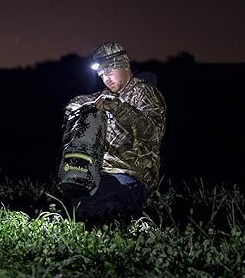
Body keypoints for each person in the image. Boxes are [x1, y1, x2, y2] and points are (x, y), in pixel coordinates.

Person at [60, 42, 167, 223]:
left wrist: (118, 108)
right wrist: (74, 107)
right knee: (69, 196)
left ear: (124, 65)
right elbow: (81, 101)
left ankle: (133, 218)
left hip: (131, 178)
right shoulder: (105, 95)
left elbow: (153, 133)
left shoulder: (145, 93)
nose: (106, 79)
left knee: (93, 207)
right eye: (101, 75)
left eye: (109, 72)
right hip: (99, 175)